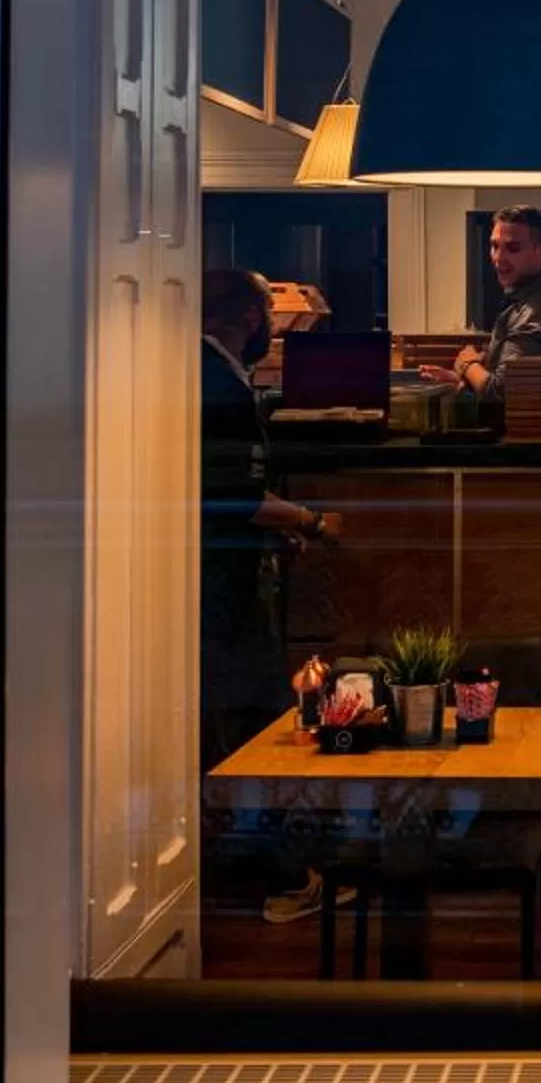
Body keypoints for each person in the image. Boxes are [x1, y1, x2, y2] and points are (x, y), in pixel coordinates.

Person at [200, 268, 341, 924]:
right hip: (218, 582)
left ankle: (228, 868)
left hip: (208, 573)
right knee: (263, 723)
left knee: (224, 724)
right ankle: (286, 878)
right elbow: (229, 493)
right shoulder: (218, 384)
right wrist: (307, 520)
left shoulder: (198, 370)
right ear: (254, 321)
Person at [423, 206, 541, 404]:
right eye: (495, 246)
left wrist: (469, 364)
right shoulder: (529, 296)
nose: (498, 257)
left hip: (527, 434)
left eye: (513, 248)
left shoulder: (536, 309)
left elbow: (503, 393)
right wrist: (459, 381)